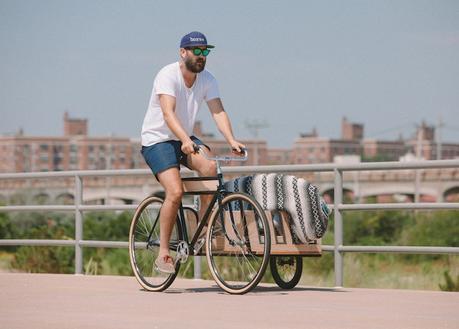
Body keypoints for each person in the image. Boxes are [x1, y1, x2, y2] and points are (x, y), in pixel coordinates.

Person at [140, 31, 245, 274]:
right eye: (196, 51)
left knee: (209, 168)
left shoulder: (207, 79)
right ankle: (164, 253)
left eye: (205, 52)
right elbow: (168, 113)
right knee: (175, 192)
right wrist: (185, 140)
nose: (201, 56)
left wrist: (231, 140)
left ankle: (202, 229)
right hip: (158, 140)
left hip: (184, 138)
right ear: (183, 52)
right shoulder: (167, 75)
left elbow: (218, 111)